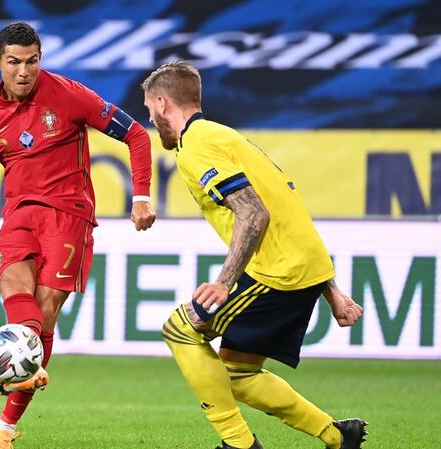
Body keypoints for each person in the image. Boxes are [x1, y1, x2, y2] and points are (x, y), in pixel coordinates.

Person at [141, 61, 368, 449]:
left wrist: (224, 283)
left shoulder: (197, 146)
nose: (150, 117)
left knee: (180, 330)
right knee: (237, 374)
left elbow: (255, 212)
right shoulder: (222, 136)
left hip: (277, 272)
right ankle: (337, 435)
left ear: (162, 104)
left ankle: (240, 445)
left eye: (148, 109)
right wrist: (331, 290)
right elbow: (286, 206)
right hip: (302, 265)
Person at [0, 22, 157, 449]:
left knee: (43, 315)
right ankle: (24, 368)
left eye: (32, 61)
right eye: (13, 62)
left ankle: (4, 428)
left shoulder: (68, 94)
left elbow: (136, 134)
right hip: (18, 217)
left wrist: (140, 195)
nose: (23, 71)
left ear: (40, 58)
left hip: (70, 217)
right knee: (16, 291)